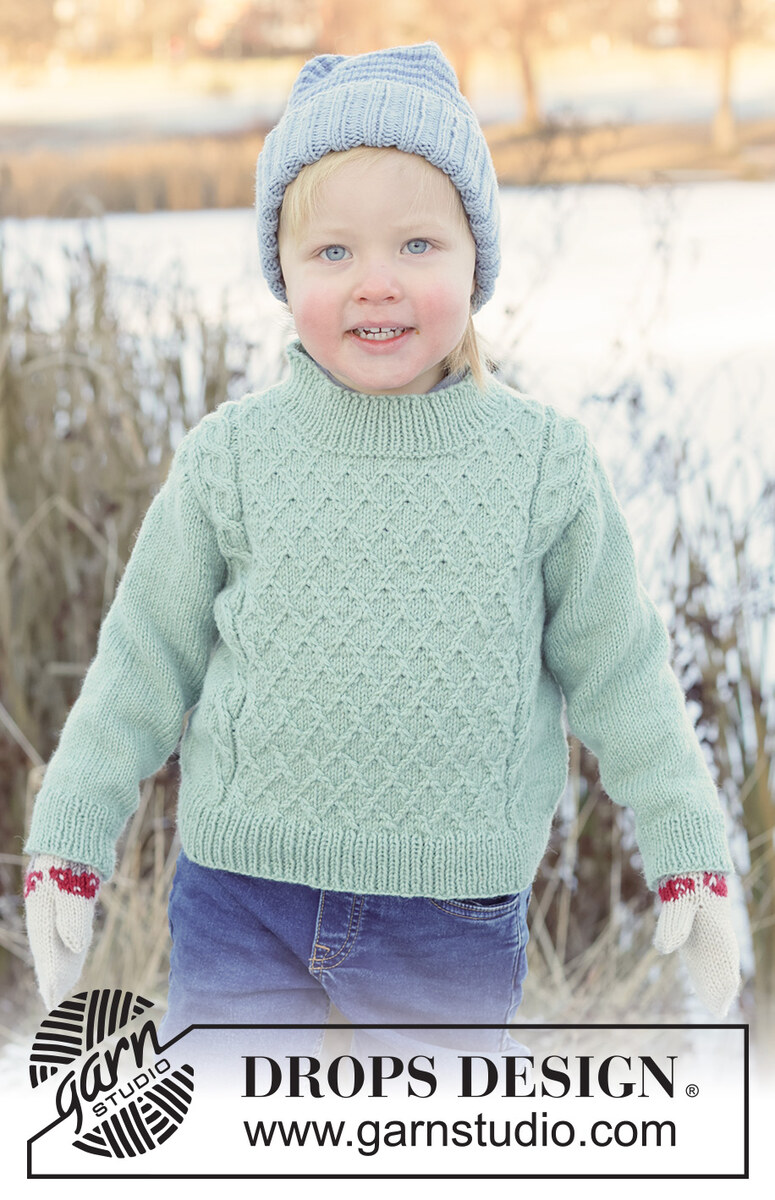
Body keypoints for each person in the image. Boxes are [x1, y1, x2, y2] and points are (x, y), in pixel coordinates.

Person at [24, 44, 741, 1065]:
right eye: (332, 252)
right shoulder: (233, 457)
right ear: (283, 272)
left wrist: (686, 848)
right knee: (230, 1136)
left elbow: (620, 672)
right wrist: (70, 832)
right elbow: (143, 659)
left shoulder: (541, 464)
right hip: (241, 899)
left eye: (416, 244)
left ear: (473, 260)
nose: (376, 284)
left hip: (446, 923)